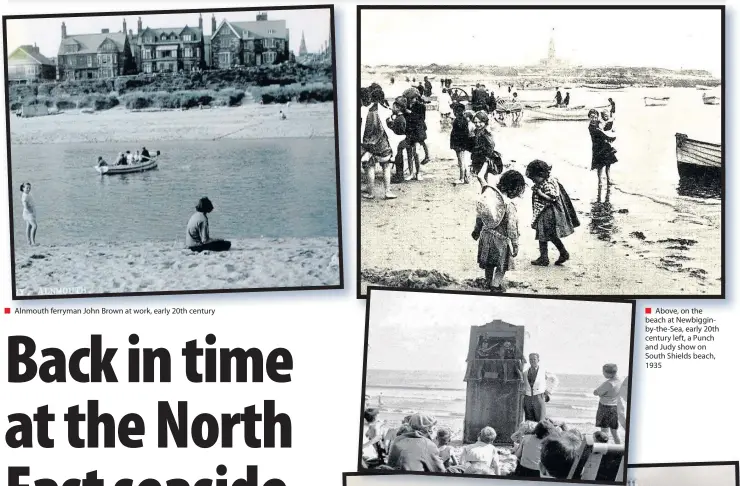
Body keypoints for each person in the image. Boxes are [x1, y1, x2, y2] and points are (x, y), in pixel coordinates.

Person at [471, 170, 525, 293]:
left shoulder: (490, 197)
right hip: (500, 240)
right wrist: (515, 244)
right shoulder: (509, 205)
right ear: (516, 189)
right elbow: (512, 227)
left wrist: (476, 230)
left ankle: (488, 281)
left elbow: (480, 215)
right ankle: (495, 286)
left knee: (489, 263)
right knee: (502, 266)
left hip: (486, 235)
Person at [526, 159, 579, 266]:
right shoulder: (546, 180)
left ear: (541, 175)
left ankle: (544, 258)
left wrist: (540, 193)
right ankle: (562, 252)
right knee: (550, 235)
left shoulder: (548, 184)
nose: (533, 181)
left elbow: (552, 198)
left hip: (547, 212)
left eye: (534, 178)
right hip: (547, 211)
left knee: (542, 234)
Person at [361, 84, 397, 199]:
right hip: (382, 143)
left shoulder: (365, 110)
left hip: (368, 143)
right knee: (386, 167)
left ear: (371, 98)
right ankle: (387, 191)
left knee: (370, 167)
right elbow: (390, 126)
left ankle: (370, 193)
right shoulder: (386, 111)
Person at [521, 353, 559, 422]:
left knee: (540, 421)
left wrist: (548, 391)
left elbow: (555, 379)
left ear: (538, 360)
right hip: (527, 399)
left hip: (539, 398)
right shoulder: (525, 373)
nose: (532, 361)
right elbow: (523, 384)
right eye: (531, 359)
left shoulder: (543, 371)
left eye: (534, 359)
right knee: (529, 422)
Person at [594, 363, 623, 444]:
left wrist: (600, 393)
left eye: (603, 372)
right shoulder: (620, 380)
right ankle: (620, 450)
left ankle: (605, 451)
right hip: (614, 407)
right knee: (615, 432)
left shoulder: (609, 383)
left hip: (605, 407)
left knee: (604, 432)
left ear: (609, 373)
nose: (603, 374)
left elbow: (596, 392)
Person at [588, 109, 618, 186]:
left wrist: (612, 129)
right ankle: (600, 181)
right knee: (600, 165)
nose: (594, 119)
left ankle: (609, 180)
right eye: (592, 117)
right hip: (598, 147)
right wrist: (609, 137)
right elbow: (600, 134)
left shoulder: (599, 123)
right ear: (589, 118)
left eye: (595, 117)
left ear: (598, 117)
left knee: (608, 163)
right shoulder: (591, 127)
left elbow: (607, 127)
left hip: (605, 146)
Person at [470, 111, 501, 186]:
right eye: (475, 122)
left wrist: (487, 157)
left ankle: (487, 191)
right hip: (478, 158)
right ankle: (485, 192)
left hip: (486, 158)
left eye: (480, 122)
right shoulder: (477, 131)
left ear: (485, 122)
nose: (477, 124)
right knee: (483, 176)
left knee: (480, 176)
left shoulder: (485, 132)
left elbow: (491, 145)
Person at [404, 90, 429, 177]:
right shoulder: (405, 106)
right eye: (409, 99)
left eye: (412, 98)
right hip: (409, 131)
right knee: (409, 153)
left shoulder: (421, 106)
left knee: (416, 153)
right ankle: (411, 173)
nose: (411, 100)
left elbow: (421, 118)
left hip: (418, 131)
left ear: (416, 97)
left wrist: (410, 113)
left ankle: (418, 173)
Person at [450, 103, 474, 184]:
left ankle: (462, 178)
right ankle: (466, 177)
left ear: (455, 112)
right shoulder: (464, 120)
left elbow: (455, 133)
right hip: (462, 143)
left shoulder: (457, 120)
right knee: (462, 161)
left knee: (461, 161)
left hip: (458, 144)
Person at [387, 97, 409, 184]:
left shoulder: (399, 119)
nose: (392, 109)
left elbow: (398, 130)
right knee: (398, 158)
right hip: (400, 141)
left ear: (398, 108)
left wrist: (390, 124)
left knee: (398, 158)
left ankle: (399, 176)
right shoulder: (400, 117)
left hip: (399, 141)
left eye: (394, 107)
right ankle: (399, 175)